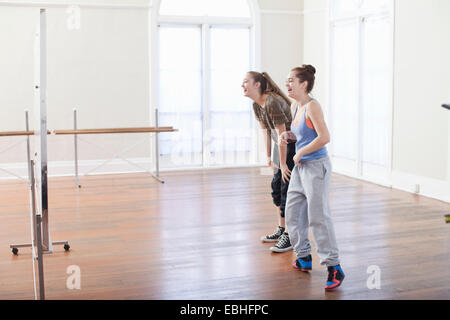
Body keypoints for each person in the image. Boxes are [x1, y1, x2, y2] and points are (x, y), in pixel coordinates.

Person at [280, 65, 344, 290]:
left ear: (303, 84)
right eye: (287, 80)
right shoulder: (294, 106)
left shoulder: (312, 106)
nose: (287, 84)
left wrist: (300, 152)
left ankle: (334, 266)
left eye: (291, 81)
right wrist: (290, 136)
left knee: (318, 216)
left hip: (316, 166)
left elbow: (324, 137)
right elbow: (303, 135)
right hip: (301, 166)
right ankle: (304, 256)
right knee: (293, 213)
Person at [242, 71, 296, 253]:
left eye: (245, 82)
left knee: (286, 189)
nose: (243, 86)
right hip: (279, 147)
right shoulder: (256, 105)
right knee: (277, 189)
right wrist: (268, 156)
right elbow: (266, 132)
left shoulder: (272, 102)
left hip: (291, 146)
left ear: (257, 84)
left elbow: (283, 135)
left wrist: (283, 164)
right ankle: (281, 229)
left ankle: (289, 235)